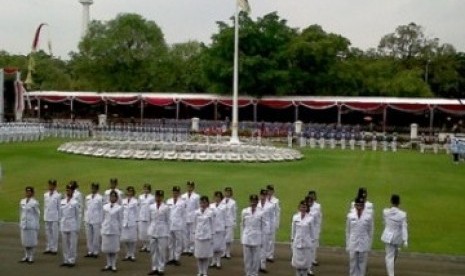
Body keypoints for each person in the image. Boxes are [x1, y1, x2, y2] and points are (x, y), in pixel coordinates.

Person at [381, 194, 408, 276]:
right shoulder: (402, 214)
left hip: (389, 236)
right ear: (399, 202)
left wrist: (405, 239)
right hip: (396, 237)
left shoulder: (385, 211)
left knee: (394, 254)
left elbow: (385, 221)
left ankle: (390, 269)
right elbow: (404, 227)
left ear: (391, 201)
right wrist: (405, 239)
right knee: (390, 256)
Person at [346, 197, 373, 276]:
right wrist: (348, 244)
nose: (359, 207)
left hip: (363, 243)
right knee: (353, 263)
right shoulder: (350, 216)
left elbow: (370, 231)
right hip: (353, 242)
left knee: (362, 264)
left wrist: (369, 245)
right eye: (358, 205)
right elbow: (348, 231)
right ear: (355, 205)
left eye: (361, 205)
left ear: (364, 206)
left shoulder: (368, 217)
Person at [147, 190, 170, 276]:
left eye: (160, 197)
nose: (158, 198)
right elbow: (149, 219)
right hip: (153, 230)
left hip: (162, 231)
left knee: (161, 251)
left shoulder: (166, 207)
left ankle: (161, 268)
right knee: (153, 251)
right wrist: (149, 230)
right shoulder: (151, 207)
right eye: (157, 197)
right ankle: (154, 267)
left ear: (162, 197)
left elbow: (168, 220)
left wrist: (167, 232)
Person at [241, 194, 265, 276]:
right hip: (247, 237)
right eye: (252, 201)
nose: (253, 203)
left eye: (255, 201)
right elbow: (242, 225)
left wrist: (262, 240)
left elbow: (263, 227)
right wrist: (242, 237)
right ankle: (248, 273)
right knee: (247, 258)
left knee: (256, 258)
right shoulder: (244, 211)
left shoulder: (261, 212)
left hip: (257, 238)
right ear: (249, 201)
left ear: (257, 202)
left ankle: (254, 273)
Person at [101, 191, 123, 272]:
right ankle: (108, 264)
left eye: (114, 197)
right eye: (111, 197)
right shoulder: (105, 207)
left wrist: (120, 230)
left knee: (114, 249)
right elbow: (102, 218)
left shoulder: (119, 208)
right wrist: (102, 228)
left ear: (116, 198)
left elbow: (120, 220)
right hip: (106, 229)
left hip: (114, 230)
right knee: (107, 248)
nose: (112, 198)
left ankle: (113, 265)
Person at [291, 201, 315, 276]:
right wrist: (292, 240)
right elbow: (293, 230)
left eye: (304, 207)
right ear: (299, 207)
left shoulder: (310, 218)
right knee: (298, 266)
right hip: (297, 243)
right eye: (302, 207)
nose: (303, 208)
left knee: (305, 267)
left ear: (307, 208)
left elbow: (312, 233)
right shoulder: (295, 217)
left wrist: (311, 243)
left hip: (306, 245)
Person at [60, 184, 80, 267]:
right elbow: (61, 214)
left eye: (70, 190)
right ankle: (65, 259)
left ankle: (72, 260)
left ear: (73, 191)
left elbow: (77, 215)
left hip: (72, 224)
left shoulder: (75, 202)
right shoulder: (62, 201)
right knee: (65, 243)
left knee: (72, 243)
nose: (68, 191)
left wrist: (77, 227)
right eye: (67, 190)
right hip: (64, 224)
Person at [194, 196, 214, 276]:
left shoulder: (210, 212)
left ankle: (205, 272)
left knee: (205, 255)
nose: (203, 204)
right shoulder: (196, 212)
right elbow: (194, 224)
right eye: (201, 202)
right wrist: (194, 234)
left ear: (207, 203)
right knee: (199, 255)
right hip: (198, 236)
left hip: (207, 236)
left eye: (204, 202)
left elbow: (213, 224)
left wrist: (212, 235)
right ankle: (200, 271)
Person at [166, 185, 186, 266]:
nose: (175, 193)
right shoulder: (168, 201)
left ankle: (176, 258)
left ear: (179, 193)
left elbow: (184, 215)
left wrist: (183, 225)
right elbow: (167, 213)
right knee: (170, 242)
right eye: (174, 192)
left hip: (178, 224)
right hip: (170, 224)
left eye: (177, 192)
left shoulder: (182, 202)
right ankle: (171, 258)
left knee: (178, 242)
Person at [19, 186, 40, 264]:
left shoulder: (34, 202)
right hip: (24, 223)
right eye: (26, 191)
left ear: (32, 193)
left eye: (29, 192)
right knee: (24, 241)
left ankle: (31, 256)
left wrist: (36, 224)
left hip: (31, 224)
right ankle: (26, 255)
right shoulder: (22, 201)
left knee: (31, 241)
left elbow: (37, 214)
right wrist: (21, 221)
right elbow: (21, 212)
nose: (28, 193)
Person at [84, 182, 103, 258]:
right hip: (88, 219)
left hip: (96, 219)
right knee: (89, 236)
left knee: (96, 236)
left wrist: (101, 220)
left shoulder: (100, 198)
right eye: (92, 188)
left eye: (94, 188)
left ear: (97, 189)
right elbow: (86, 208)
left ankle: (95, 252)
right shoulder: (87, 197)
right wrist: (85, 218)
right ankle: (90, 251)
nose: (93, 189)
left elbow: (101, 210)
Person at [181, 181, 200, 256]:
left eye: (191, 186)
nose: (189, 188)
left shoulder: (196, 196)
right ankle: (186, 248)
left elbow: (198, 207)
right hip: (185, 217)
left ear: (193, 187)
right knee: (185, 233)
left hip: (193, 217)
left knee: (192, 233)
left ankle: (192, 248)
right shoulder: (183, 196)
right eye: (188, 186)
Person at [121, 186, 139, 261]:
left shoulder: (135, 201)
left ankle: (132, 254)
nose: (129, 193)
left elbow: (137, 212)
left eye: (131, 192)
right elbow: (121, 212)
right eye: (128, 192)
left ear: (133, 193)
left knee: (132, 239)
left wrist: (137, 222)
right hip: (124, 222)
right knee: (125, 239)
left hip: (132, 222)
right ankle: (127, 253)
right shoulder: (123, 201)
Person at [257, 189, 273, 273]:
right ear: (260, 195)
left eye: (264, 195)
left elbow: (271, 218)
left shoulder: (270, 206)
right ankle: (256, 264)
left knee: (263, 248)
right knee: (257, 247)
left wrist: (270, 229)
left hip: (265, 229)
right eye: (262, 195)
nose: (263, 197)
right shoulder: (256, 204)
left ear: (267, 196)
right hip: (257, 229)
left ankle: (262, 265)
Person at [209, 191, 226, 269]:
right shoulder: (211, 206)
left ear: (221, 198)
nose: (217, 198)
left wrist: (225, 228)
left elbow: (225, 218)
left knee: (219, 246)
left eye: (219, 197)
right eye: (216, 197)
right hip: (212, 228)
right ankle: (213, 261)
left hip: (220, 228)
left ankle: (218, 261)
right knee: (212, 245)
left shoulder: (224, 206)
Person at [43, 179, 61, 255]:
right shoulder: (45, 195)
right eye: (50, 185)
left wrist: (59, 218)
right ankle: (48, 247)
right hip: (47, 216)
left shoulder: (58, 195)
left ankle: (54, 248)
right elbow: (45, 206)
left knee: (54, 233)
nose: (51, 186)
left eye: (52, 185)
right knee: (48, 233)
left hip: (54, 216)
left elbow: (59, 207)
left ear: (55, 186)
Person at [307, 191, 322, 269]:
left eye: (313, 196)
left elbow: (316, 217)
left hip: (315, 228)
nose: (312, 197)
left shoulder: (318, 206)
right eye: (310, 196)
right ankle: (309, 260)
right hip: (307, 228)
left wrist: (318, 229)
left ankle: (312, 259)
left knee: (314, 245)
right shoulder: (305, 205)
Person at [138, 183, 155, 252]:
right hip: (142, 216)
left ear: (150, 190)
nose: (146, 190)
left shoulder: (152, 197)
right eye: (145, 189)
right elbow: (139, 206)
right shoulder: (140, 197)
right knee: (142, 232)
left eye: (147, 189)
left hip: (149, 216)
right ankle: (144, 245)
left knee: (149, 231)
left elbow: (153, 207)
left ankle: (149, 246)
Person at [221, 187, 237, 259]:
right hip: (222, 221)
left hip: (230, 221)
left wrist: (234, 221)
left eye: (229, 192)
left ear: (231, 193)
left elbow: (234, 213)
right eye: (226, 192)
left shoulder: (233, 202)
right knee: (223, 237)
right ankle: (223, 252)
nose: (227, 193)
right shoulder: (222, 201)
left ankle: (228, 252)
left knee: (229, 238)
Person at [266, 184, 280, 263]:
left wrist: (277, 223)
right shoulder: (263, 199)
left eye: (271, 191)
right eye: (268, 190)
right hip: (265, 222)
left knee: (271, 239)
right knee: (265, 239)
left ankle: (270, 255)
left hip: (272, 222)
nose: (269, 192)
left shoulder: (276, 201)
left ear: (273, 191)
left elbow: (277, 213)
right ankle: (264, 254)